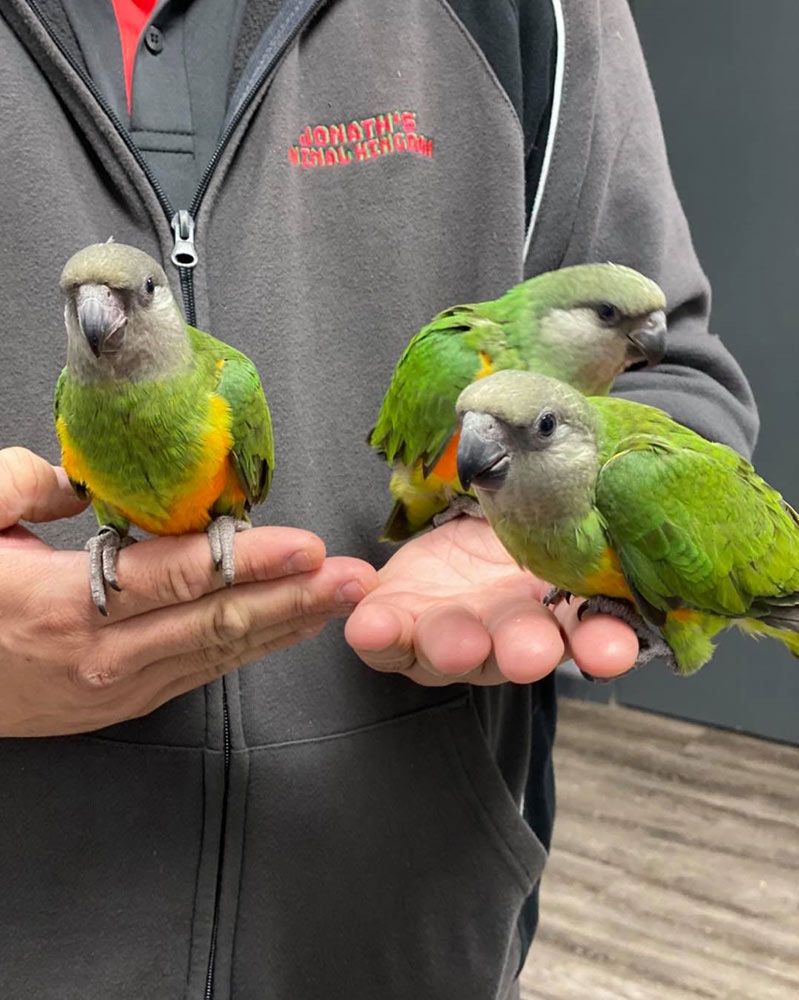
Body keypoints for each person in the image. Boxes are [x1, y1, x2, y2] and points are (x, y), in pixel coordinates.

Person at [0, 1, 757, 997]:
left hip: (399, 932)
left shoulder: (536, 17)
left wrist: (553, 526)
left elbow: (673, 390)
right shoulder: (77, 400)